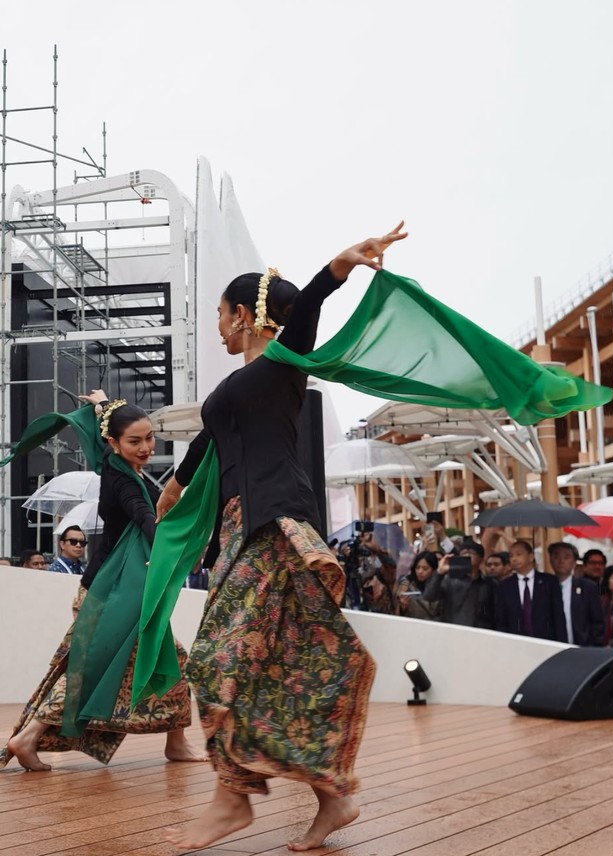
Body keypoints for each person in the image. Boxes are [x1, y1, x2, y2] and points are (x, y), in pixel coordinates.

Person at [152, 229, 406, 852]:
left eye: (221, 313)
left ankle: (232, 798)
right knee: (290, 665)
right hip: (242, 528)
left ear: (245, 315)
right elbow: (209, 442)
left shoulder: (282, 363)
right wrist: (174, 487)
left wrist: (338, 266)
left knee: (216, 657)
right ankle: (332, 797)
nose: (218, 325)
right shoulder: (238, 387)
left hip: (275, 523)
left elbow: (308, 307)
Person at [0, 395, 204, 772]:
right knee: (91, 670)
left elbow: (103, 437)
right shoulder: (123, 480)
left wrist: (104, 405)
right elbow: (144, 516)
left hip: (116, 591)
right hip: (110, 594)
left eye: (149, 438)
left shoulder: (117, 463)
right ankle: (27, 738)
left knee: (167, 661)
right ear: (115, 442)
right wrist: (171, 547)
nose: (145, 447)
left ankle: (176, 742)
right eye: (134, 441)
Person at [494, 540, 567, 642]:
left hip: (546, 641)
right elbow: (501, 620)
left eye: (519, 554)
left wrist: (561, 643)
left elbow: (558, 616)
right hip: (516, 642)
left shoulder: (549, 582)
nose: (514, 559)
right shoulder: (504, 586)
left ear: (531, 556)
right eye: (511, 556)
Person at [547, 541, 605, 646]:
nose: (561, 561)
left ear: (574, 562)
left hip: (582, 648)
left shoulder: (588, 588)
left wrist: (593, 647)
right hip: (552, 647)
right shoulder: (544, 587)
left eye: (566, 557)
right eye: (556, 556)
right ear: (550, 560)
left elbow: (597, 622)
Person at [395, 550, 440, 620]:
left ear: (433, 570)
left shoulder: (441, 586)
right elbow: (397, 615)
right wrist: (402, 607)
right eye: (417, 568)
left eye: (425, 569)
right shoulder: (407, 586)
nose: (420, 571)